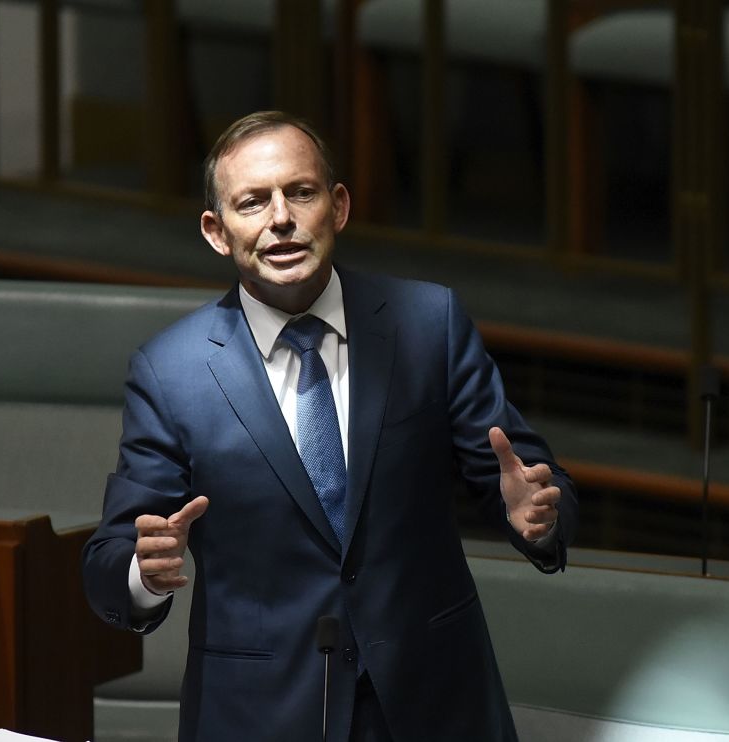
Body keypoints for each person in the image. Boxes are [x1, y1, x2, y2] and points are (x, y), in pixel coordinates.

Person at [82, 110, 578, 742]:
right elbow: (109, 558)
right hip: (260, 714)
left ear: (338, 206)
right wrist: (144, 573)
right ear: (216, 230)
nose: (280, 219)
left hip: (434, 701)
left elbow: (534, 480)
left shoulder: (427, 323)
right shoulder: (171, 371)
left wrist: (538, 515)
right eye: (252, 202)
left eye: (301, 192)